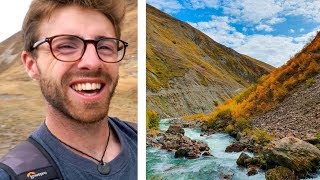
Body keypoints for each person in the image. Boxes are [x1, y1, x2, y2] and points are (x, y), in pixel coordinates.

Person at [0, 0, 137, 179]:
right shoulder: (12, 174)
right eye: (65, 46)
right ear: (32, 65)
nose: (92, 62)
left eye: (105, 46)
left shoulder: (141, 139)